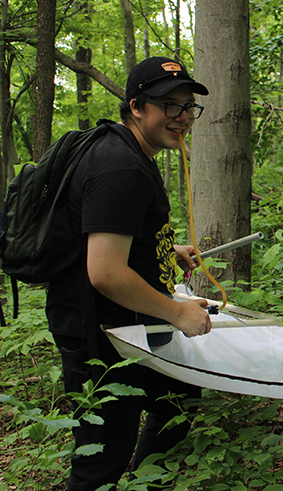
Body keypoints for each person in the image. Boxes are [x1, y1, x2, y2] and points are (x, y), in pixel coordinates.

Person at [46, 56, 213, 490]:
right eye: (169, 106)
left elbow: (106, 234)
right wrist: (177, 313)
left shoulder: (129, 151)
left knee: (177, 398)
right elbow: (104, 272)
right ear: (137, 106)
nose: (181, 118)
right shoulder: (120, 166)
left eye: (188, 107)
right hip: (100, 335)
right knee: (102, 457)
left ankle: (145, 483)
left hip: (130, 326)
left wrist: (164, 250)